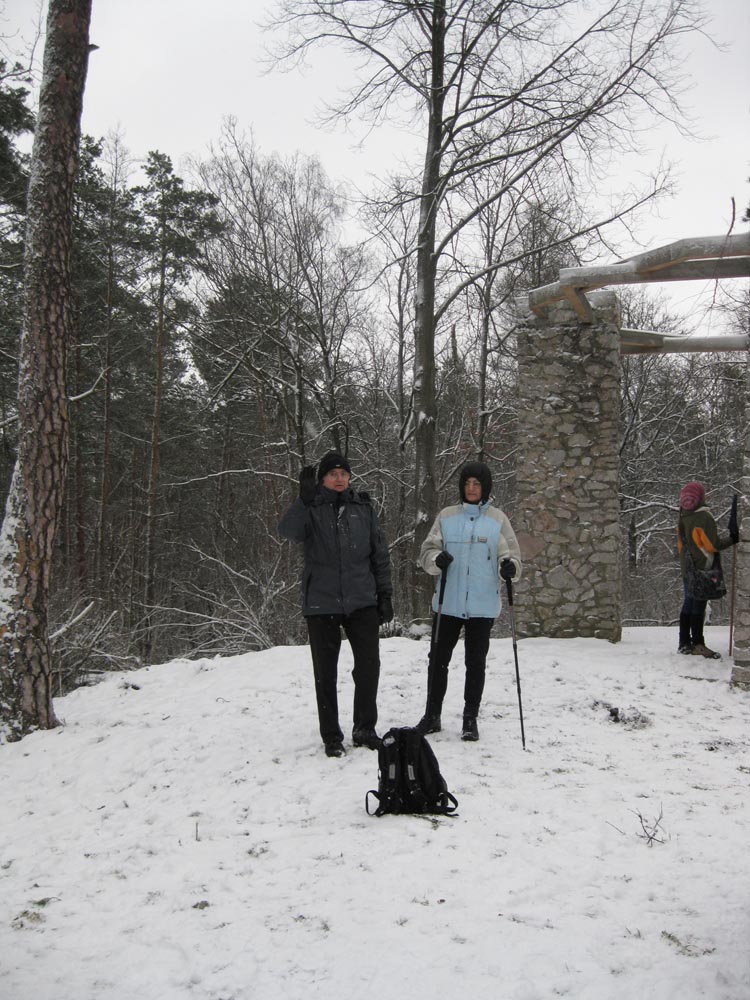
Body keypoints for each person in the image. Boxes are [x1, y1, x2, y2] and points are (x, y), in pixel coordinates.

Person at [278, 451, 394, 758]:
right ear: (323, 479)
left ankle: (364, 728)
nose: (339, 478)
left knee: (368, 667)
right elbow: (288, 532)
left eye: (344, 473)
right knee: (325, 673)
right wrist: (303, 501)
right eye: (333, 474)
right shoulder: (312, 508)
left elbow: (379, 554)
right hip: (322, 602)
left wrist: (385, 595)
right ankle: (331, 735)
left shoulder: (363, 509)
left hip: (362, 600)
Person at [415, 461, 522, 741]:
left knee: (475, 664)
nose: (471, 488)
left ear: (485, 487)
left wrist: (509, 567)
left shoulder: (498, 520)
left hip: (482, 605)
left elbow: (511, 556)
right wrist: (436, 560)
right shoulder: (447, 516)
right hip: (447, 603)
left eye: (477, 484)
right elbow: (427, 551)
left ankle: (470, 719)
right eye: (467, 483)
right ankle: (432, 715)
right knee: (437, 661)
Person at [676, 480, 738, 658]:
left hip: (687, 568)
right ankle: (698, 644)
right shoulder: (703, 517)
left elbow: (681, 545)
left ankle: (684, 643)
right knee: (698, 605)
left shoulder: (683, 516)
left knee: (688, 603)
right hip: (703, 567)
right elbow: (712, 545)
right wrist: (732, 539)